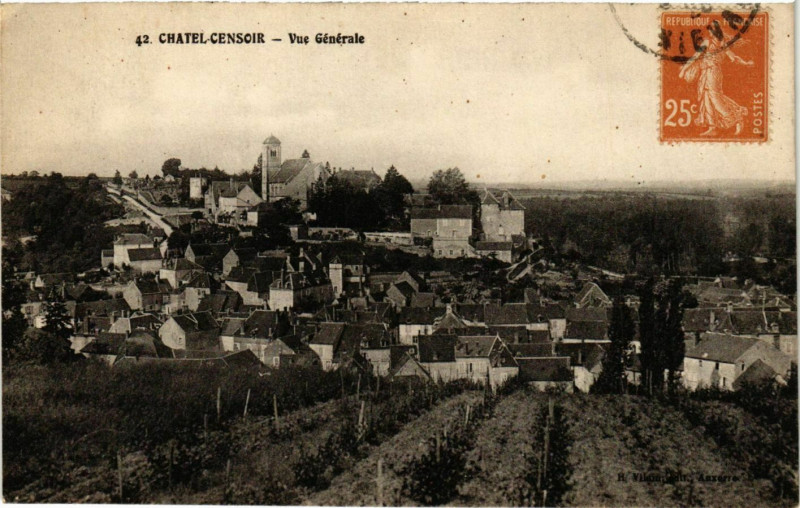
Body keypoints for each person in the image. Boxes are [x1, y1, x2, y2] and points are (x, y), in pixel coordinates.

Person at [678, 35, 754, 136]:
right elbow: (696, 56)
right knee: (707, 97)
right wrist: (745, 63)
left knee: (715, 98)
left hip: (713, 73)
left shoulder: (717, 44)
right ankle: (712, 126)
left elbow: (733, 57)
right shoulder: (712, 43)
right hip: (706, 72)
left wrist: (745, 63)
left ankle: (735, 118)